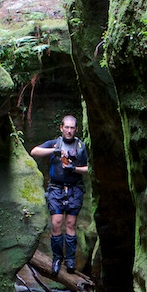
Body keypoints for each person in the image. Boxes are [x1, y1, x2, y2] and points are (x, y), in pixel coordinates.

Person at [30, 115, 89, 275]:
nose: (69, 130)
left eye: (72, 128)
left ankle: (70, 260)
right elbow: (34, 152)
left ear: (76, 129)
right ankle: (57, 258)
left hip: (74, 189)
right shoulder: (54, 143)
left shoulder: (81, 146)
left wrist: (74, 169)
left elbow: (89, 168)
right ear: (61, 128)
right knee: (56, 223)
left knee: (70, 224)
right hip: (56, 189)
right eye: (66, 127)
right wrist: (54, 151)